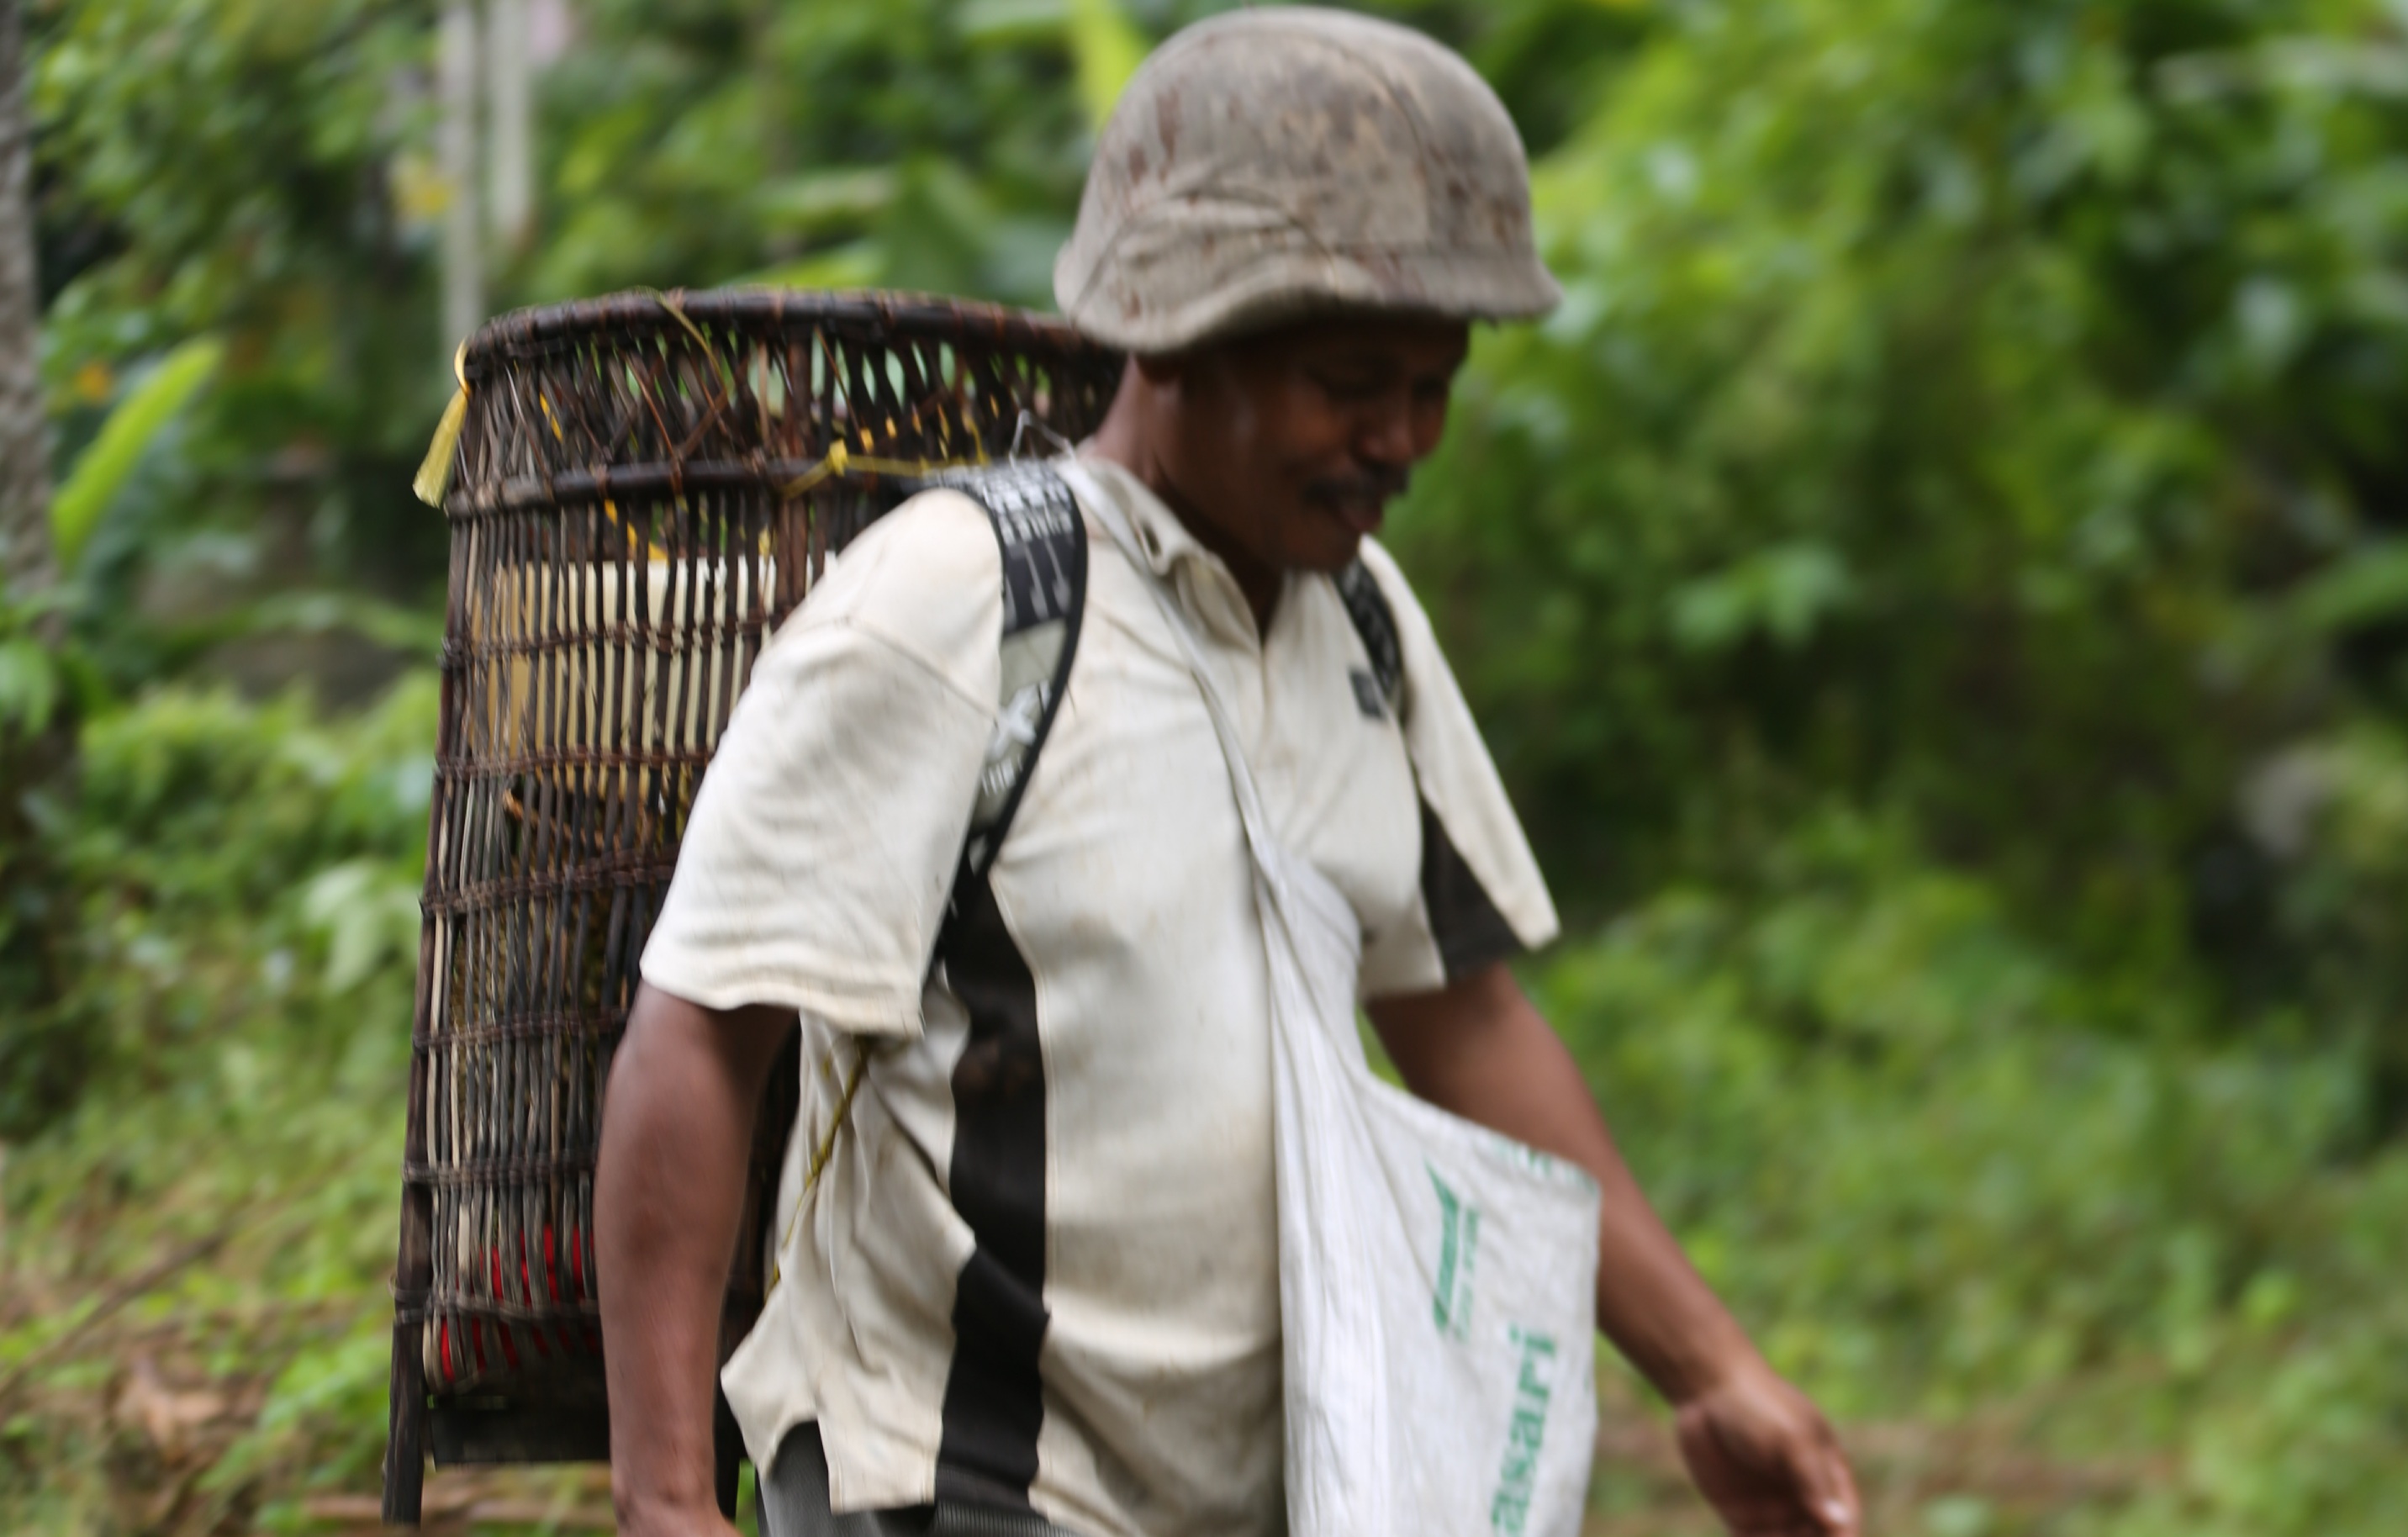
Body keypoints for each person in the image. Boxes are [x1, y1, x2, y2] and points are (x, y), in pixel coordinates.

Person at [596, 9, 1860, 1537]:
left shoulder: (1368, 634)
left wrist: (1711, 1371)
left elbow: (1461, 1014)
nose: (1402, 437)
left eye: (1433, 382)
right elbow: (706, 1023)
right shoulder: (965, 607)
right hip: (957, 1484)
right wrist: (665, 1496)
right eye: (1350, 379)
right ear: (1178, 331)